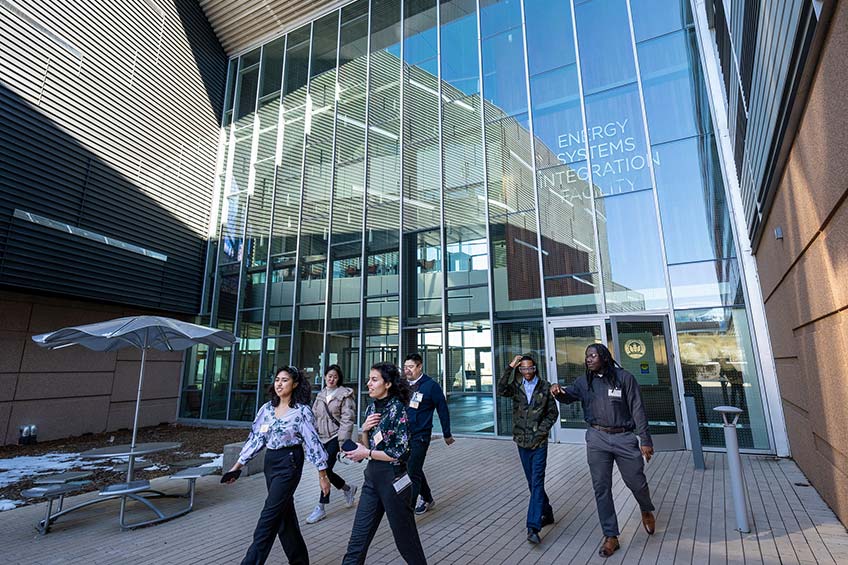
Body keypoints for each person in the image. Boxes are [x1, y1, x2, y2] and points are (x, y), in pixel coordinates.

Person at [550, 343, 656, 558]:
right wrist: (557, 391)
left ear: (605, 358)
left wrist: (645, 439)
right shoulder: (583, 381)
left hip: (624, 438)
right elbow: (568, 395)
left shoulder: (624, 378)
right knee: (601, 487)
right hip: (597, 438)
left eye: (593, 356)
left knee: (636, 481)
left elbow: (638, 408)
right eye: (586, 356)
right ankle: (611, 536)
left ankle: (645, 508)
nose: (588, 359)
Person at [223, 366, 330, 565]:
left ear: (295, 384)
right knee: (284, 516)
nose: (279, 384)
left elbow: (312, 442)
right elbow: (255, 439)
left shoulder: (301, 412)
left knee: (269, 516)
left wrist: (322, 474)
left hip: (290, 462)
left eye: (285, 380)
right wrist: (237, 466)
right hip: (270, 463)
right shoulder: (266, 409)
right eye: (277, 380)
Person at [341, 362, 427, 565]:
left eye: (374, 379)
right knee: (357, 542)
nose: (368, 383)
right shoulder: (371, 407)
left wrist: (367, 452)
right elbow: (367, 448)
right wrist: (363, 432)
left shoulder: (399, 409)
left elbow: (401, 452)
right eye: (369, 379)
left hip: (394, 481)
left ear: (387, 384)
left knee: (406, 542)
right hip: (372, 480)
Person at [497, 354, 559, 545]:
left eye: (530, 368)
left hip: (538, 443)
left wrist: (540, 433)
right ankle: (546, 513)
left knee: (537, 481)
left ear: (535, 368)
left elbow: (552, 413)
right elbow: (500, 389)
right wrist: (510, 366)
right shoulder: (516, 387)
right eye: (523, 369)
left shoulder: (545, 387)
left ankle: (533, 527)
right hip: (522, 443)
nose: (527, 372)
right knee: (532, 483)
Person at [402, 352, 454, 515]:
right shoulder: (403, 385)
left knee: (412, 472)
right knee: (413, 467)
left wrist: (447, 433)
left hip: (421, 435)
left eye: (410, 367)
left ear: (420, 366)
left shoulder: (431, 386)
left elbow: (442, 409)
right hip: (404, 435)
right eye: (405, 367)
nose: (407, 370)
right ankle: (428, 498)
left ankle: (407, 510)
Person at [306, 364, 358, 524]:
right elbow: (314, 417)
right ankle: (348, 489)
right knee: (325, 471)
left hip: (335, 437)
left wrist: (343, 441)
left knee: (326, 469)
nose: (331, 379)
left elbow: (347, 419)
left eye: (335, 376)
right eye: (329, 376)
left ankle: (321, 507)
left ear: (338, 379)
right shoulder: (321, 395)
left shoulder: (344, 395)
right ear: (325, 377)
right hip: (321, 438)